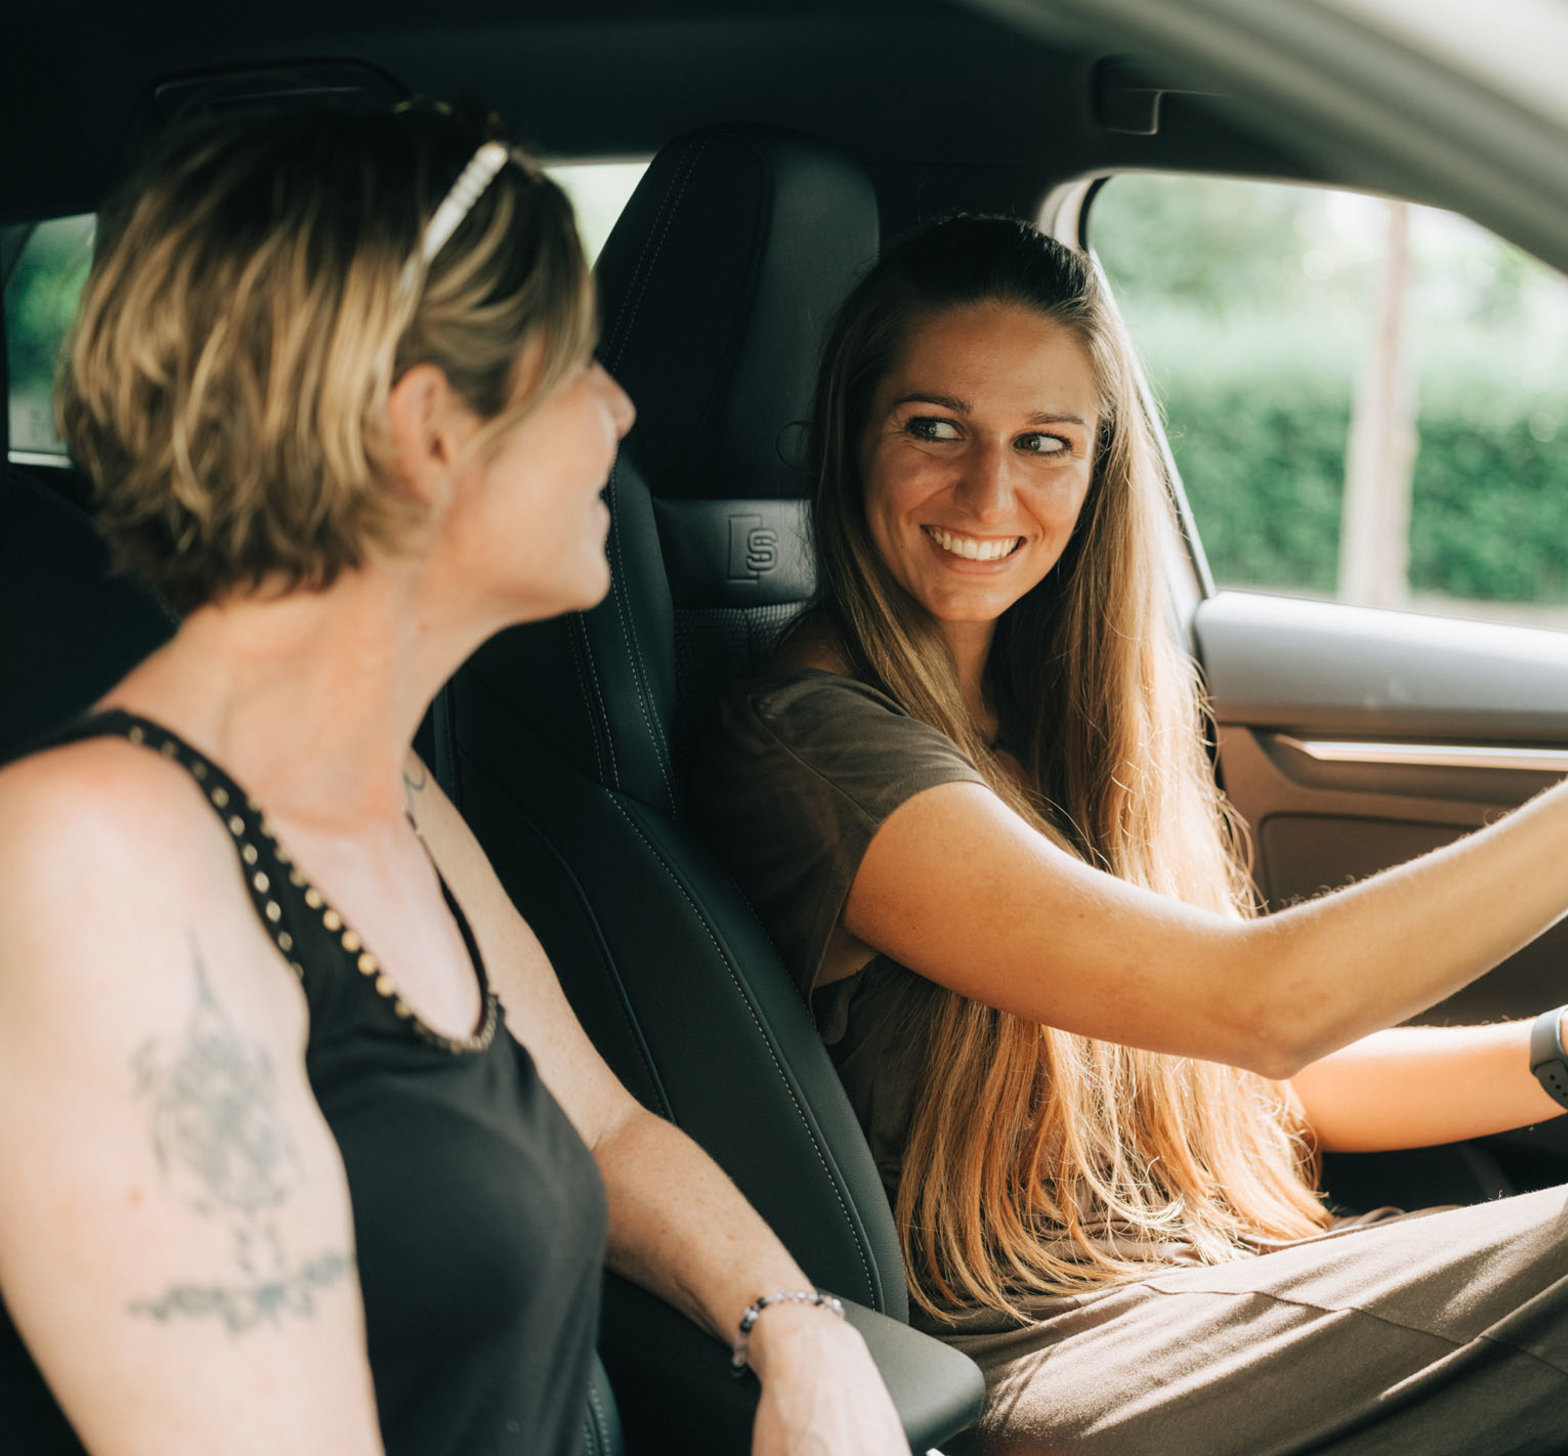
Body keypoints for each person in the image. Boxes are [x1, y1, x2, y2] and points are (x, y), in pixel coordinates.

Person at [690, 215, 1568, 1454]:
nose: (988, 491)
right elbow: (1260, 1006)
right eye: (932, 429)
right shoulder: (812, 751)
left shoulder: (1042, 719)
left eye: (1043, 442)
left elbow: (1245, 1081)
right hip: (1030, 1351)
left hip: (1179, 1280)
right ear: (849, 436)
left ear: (1096, 464)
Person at [0, 104, 910, 1455]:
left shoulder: (395, 800)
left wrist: (797, 1330)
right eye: (578, 369)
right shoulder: (95, 868)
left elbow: (601, 1131)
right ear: (431, 429)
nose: (620, 408)